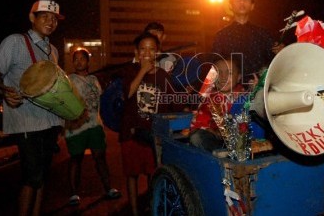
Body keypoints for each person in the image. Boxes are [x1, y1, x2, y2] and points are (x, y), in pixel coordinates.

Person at [0, 0, 65, 216]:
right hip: (26, 120)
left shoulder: (53, 50)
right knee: (32, 177)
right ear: (32, 18)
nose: (50, 22)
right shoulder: (14, 42)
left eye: (54, 19)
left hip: (50, 121)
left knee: (42, 176)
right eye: (45, 17)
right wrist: (4, 91)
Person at [118, 32, 182, 216]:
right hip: (131, 132)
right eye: (143, 49)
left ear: (158, 52)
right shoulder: (130, 71)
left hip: (153, 135)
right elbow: (128, 94)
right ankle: (134, 210)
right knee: (132, 174)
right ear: (136, 52)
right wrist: (142, 71)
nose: (147, 53)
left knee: (152, 172)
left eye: (152, 49)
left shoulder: (163, 75)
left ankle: (152, 205)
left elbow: (173, 102)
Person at [64, 48, 121, 206]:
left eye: (82, 58)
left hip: (95, 125)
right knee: (76, 159)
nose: (79, 62)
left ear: (88, 61)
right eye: (75, 59)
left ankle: (108, 188)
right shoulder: (69, 80)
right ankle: (74, 193)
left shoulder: (94, 79)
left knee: (100, 157)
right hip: (76, 127)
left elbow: (104, 101)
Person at [212, 0, 284, 86]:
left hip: (259, 88)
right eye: (238, 0)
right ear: (230, 6)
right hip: (232, 90)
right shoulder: (221, 35)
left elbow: (275, 61)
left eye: (246, 0)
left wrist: (281, 51)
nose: (242, 2)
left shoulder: (263, 33)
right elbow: (216, 65)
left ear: (252, 6)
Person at [189, 58, 246, 152]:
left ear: (239, 77)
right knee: (196, 137)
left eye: (230, 73)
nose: (224, 77)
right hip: (218, 142)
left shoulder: (246, 97)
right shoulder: (209, 99)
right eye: (219, 73)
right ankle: (223, 154)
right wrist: (212, 131)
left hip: (243, 140)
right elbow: (199, 123)